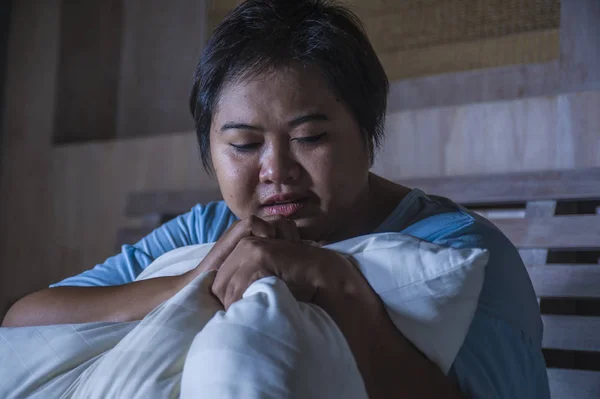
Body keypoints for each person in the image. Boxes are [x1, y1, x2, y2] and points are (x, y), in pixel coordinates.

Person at [2, 1, 549, 397]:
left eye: (310, 138)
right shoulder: (208, 229)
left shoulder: (462, 253)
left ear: (368, 133)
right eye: (242, 144)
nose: (276, 172)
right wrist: (198, 280)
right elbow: (27, 320)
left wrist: (336, 286)